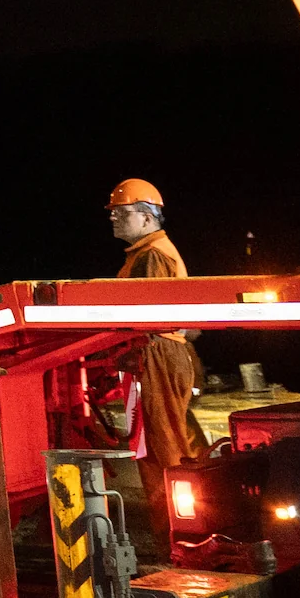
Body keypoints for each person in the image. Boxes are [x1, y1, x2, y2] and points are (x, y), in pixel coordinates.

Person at [109, 177, 210, 542]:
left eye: (122, 213)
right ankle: (176, 534)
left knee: (163, 447)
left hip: (156, 354)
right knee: (157, 445)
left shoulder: (153, 255)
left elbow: (146, 318)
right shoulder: (146, 253)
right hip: (157, 353)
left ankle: (182, 537)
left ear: (148, 218)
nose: (114, 219)